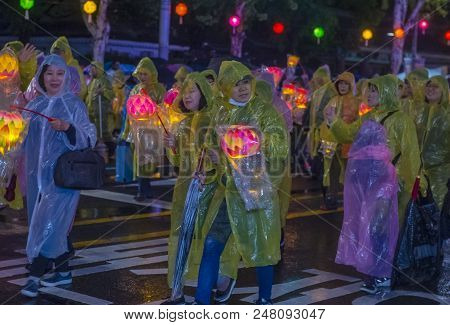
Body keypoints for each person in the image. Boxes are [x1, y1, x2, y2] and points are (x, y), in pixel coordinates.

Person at [193, 61, 289, 305]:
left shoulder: (264, 111)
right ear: (225, 87)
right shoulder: (221, 113)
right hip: (229, 192)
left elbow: (279, 150)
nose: (243, 88)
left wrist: (252, 143)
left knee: (262, 249)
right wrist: (213, 163)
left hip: (258, 192)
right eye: (236, 84)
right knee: (212, 244)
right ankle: (201, 302)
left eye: (246, 82)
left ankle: (264, 300)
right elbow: (211, 150)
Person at [20, 55, 96, 298]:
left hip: (63, 179)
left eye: (59, 73)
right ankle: (63, 272)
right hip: (36, 180)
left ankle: (34, 277)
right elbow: (19, 138)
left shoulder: (73, 105)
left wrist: (68, 128)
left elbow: (89, 136)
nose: (54, 78)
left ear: (67, 77)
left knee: (48, 225)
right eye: (49, 73)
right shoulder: (35, 106)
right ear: (41, 75)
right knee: (45, 225)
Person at [330, 74, 422, 228]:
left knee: (388, 227)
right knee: (370, 226)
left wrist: (412, 183)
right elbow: (348, 134)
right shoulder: (368, 117)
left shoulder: (402, 120)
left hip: (392, 183)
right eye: (369, 90)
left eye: (374, 91)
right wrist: (333, 121)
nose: (369, 94)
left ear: (386, 92)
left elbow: (411, 154)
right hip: (370, 180)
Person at [163, 72, 216, 304]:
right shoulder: (184, 123)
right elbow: (178, 162)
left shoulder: (211, 120)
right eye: (184, 91)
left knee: (198, 238)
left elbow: (218, 157)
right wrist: (173, 146)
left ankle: (200, 290)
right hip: (184, 187)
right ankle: (179, 290)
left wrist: (208, 172)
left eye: (192, 91)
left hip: (203, 189)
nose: (186, 95)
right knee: (181, 236)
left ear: (203, 93)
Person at [335, 119, 399, 294]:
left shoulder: (358, 158)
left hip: (367, 208)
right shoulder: (384, 158)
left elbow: (353, 185)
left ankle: (373, 275)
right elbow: (388, 183)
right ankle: (382, 275)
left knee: (368, 239)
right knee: (380, 239)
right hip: (380, 206)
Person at [122, 57, 166, 201]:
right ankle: (143, 189)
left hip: (152, 130)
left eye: (145, 74)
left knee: (147, 160)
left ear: (152, 74)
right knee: (139, 160)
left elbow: (165, 109)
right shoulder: (135, 89)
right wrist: (126, 131)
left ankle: (144, 188)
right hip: (137, 130)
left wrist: (151, 104)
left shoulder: (159, 89)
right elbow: (130, 111)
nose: (142, 77)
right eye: (140, 74)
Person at [319, 72, 359, 210]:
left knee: (349, 173)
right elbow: (326, 120)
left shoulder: (355, 101)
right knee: (331, 171)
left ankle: (350, 202)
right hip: (330, 142)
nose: (342, 86)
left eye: (345, 83)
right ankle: (332, 199)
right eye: (340, 83)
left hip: (347, 143)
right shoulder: (333, 100)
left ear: (351, 85)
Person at [415, 76, 450, 210]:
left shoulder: (447, 114)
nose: (430, 89)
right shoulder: (421, 112)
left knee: (440, 212)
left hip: (442, 174)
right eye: (428, 86)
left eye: (435, 86)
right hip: (420, 173)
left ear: (444, 90)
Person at [86, 61, 114, 144]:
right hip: (92, 112)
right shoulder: (92, 81)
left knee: (103, 134)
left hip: (102, 114)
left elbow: (111, 94)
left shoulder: (105, 80)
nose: (91, 71)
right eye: (91, 69)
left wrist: (103, 92)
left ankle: (107, 151)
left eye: (93, 69)